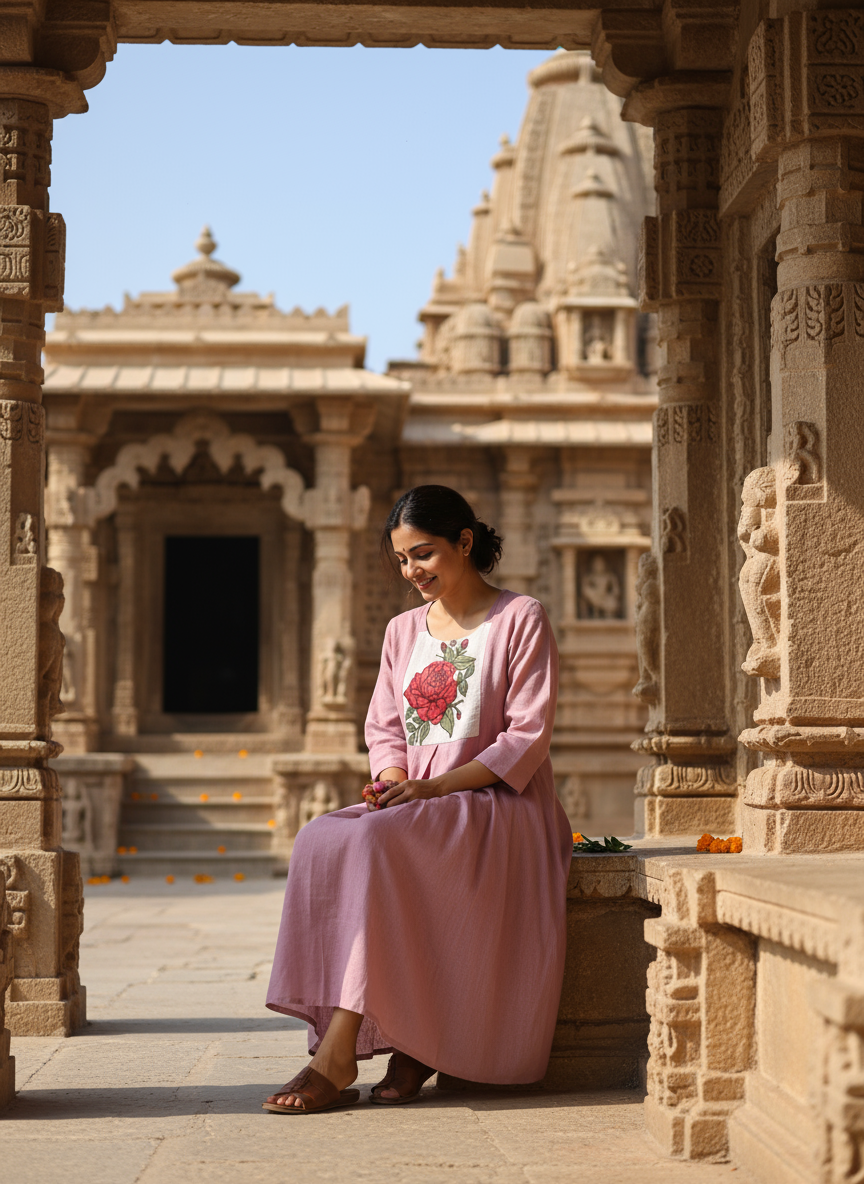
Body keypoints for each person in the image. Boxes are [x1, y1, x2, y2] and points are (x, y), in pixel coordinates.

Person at [263, 485, 572, 1114]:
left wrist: (433, 787)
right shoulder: (403, 630)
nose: (412, 573)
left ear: (465, 542)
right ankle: (408, 1041)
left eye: (423, 554)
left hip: (496, 802)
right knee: (319, 836)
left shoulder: (520, 618)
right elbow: (384, 724)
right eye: (402, 560)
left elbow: (527, 735)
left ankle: (337, 1054)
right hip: (420, 796)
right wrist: (395, 776)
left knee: (377, 842)